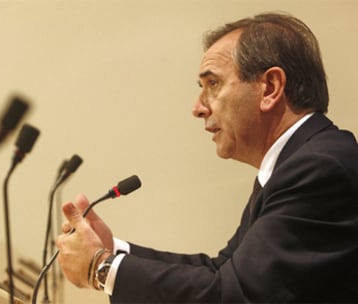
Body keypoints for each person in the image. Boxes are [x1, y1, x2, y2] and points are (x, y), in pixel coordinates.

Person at [56, 12, 358, 302]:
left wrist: (102, 268)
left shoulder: (319, 168)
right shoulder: (299, 162)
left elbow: (234, 296)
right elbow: (220, 270)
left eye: (213, 84)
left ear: (270, 88)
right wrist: (111, 251)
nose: (198, 108)